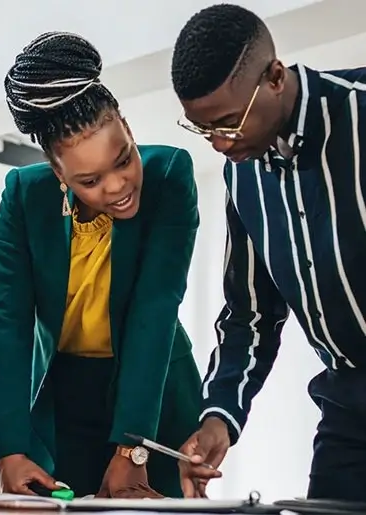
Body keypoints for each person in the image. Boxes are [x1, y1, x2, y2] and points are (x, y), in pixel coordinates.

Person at [0, 31, 202, 499]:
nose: (117, 187)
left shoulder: (170, 176)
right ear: (58, 173)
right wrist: (10, 448)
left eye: (123, 158)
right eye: (89, 180)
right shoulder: (24, 196)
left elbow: (155, 309)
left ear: (126, 125)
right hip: (65, 400)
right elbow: (9, 324)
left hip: (154, 396)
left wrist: (134, 450)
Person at [170, 3, 366, 501]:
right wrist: (219, 415)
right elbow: (250, 313)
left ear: (275, 76)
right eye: (204, 127)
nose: (218, 143)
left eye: (229, 122)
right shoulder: (244, 170)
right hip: (348, 404)